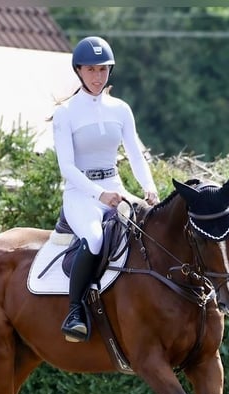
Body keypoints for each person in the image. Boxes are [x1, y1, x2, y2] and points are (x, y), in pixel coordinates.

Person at [52, 35, 159, 343]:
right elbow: (67, 168)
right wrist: (100, 195)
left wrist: (148, 187)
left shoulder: (121, 109)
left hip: (115, 184)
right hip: (81, 193)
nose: (97, 77)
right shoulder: (66, 113)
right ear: (79, 71)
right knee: (96, 238)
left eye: (103, 70)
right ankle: (75, 310)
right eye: (91, 70)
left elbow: (136, 155)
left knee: (152, 229)